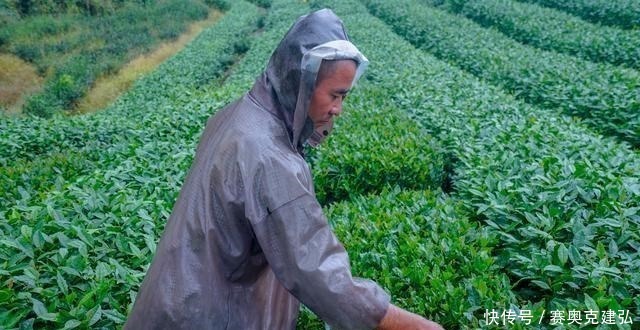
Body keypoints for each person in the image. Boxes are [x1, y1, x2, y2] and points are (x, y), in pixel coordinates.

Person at [124, 8, 444, 330]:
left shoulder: (237, 115)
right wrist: (418, 326)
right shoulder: (268, 155)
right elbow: (320, 274)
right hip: (202, 315)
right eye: (335, 95)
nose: (337, 110)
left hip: (177, 296)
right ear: (301, 81)